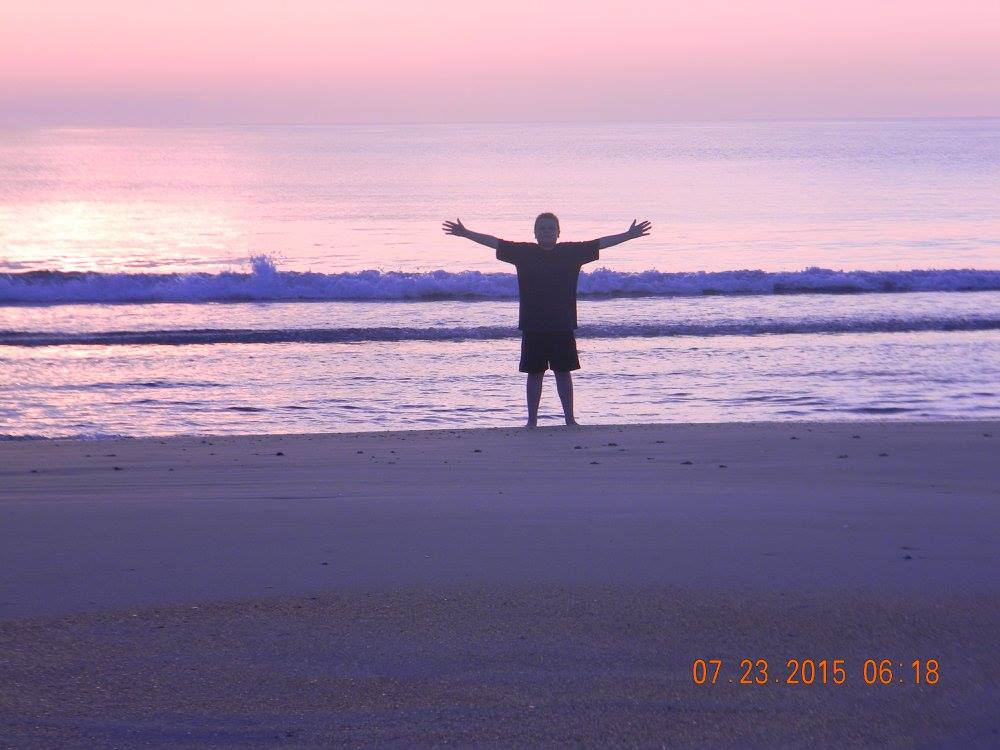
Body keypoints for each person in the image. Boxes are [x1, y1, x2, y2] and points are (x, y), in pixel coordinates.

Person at [442, 212, 651, 428]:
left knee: (563, 372)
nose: (546, 232)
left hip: (562, 323)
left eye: (551, 228)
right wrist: (466, 234)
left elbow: (601, 243)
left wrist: (629, 235)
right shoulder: (523, 252)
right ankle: (531, 422)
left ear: (559, 232)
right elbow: (495, 242)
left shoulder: (572, 252)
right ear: (535, 233)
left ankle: (570, 420)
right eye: (541, 228)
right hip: (533, 324)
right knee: (534, 374)